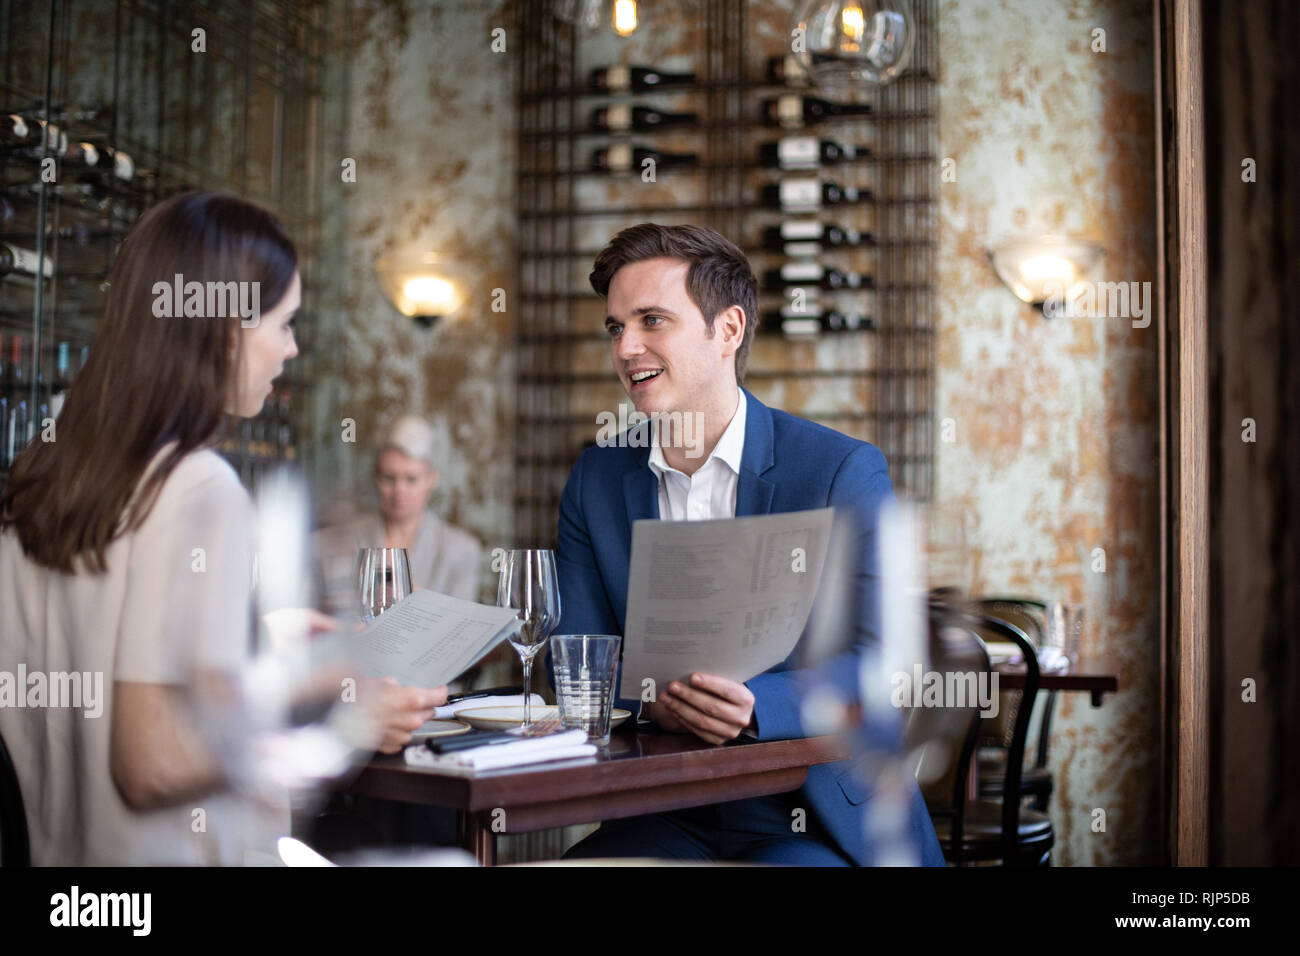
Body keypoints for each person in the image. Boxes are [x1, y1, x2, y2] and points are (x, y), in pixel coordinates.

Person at [0, 192, 445, 865]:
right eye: (285, 323)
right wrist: (339, 713)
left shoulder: (39, 471)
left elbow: (94, 642)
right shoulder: (198, 488)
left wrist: (259, 641)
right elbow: (149, 764)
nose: (291, 349)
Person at [554, 223, 945, 866]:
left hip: (809, 815)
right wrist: (662, 699)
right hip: (663, 810)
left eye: (652, 320)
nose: (626, 347)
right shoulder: (596, 479)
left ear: (728, 329)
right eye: (615, 327)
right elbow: (575, 665)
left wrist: (757, 706)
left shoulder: (839, 470)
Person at [315, 415, 483, 611]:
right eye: (389, 478)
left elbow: (463, 629)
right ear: (375, 476)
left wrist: (417, 599)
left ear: (432, 479)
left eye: (411, 479)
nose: (399, 491)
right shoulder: (338, 539)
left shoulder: (461, 550)